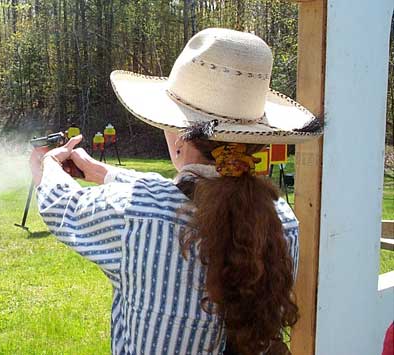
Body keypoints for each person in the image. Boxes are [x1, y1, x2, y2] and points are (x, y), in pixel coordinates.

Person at [30, 28, 322, 355]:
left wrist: (48, 167)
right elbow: (182, 195)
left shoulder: (137, 213)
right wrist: (100, 172)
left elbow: (63, 206)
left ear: (180, 136)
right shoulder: (283, 221)